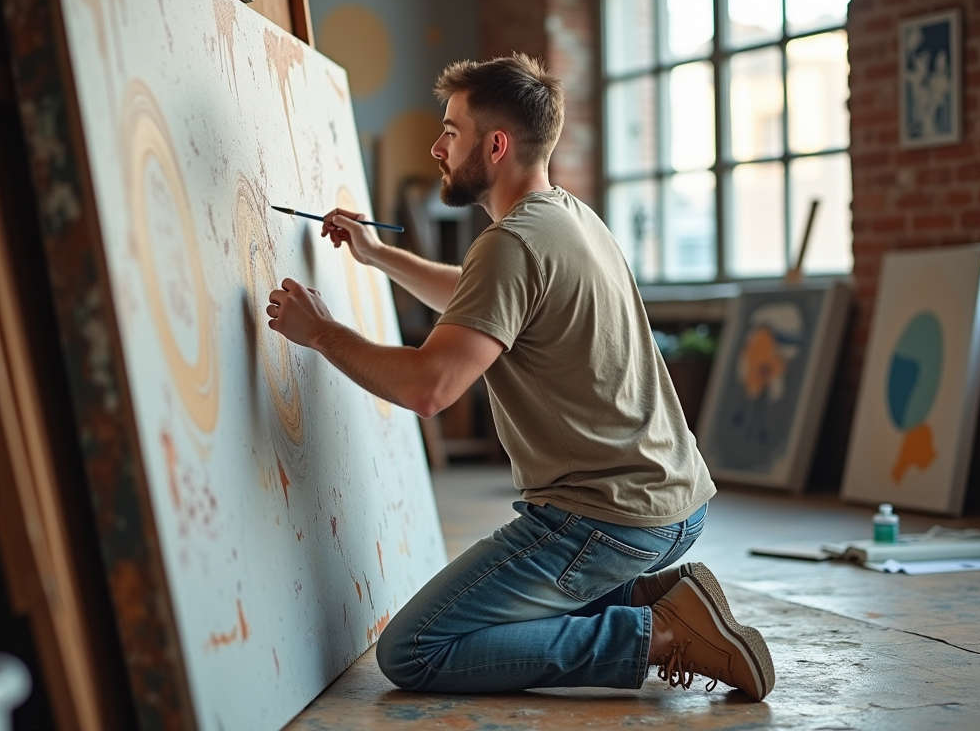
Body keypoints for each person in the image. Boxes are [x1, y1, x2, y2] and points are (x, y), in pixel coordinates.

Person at [266, 53, 775, 700]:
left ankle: (662, 635)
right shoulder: (567, 217)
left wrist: (321, 334)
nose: (436, 146)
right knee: (479, 616)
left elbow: (430, 387)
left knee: (415, 650)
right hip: (671, 506)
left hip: (602, 519)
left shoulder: (511, 244)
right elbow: (483, 300)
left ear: (495, 144)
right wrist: (376, 256)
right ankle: (656, 596)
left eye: (451, 130)